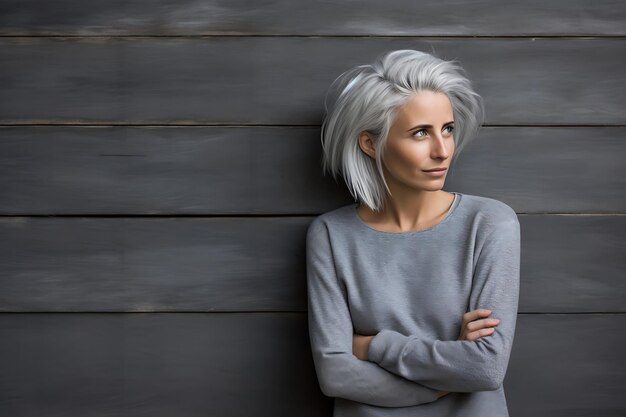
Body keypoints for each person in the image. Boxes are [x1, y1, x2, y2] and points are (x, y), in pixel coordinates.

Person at [306, 49, 521, 417]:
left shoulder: (490, 223)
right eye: (420, 132)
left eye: (448, 130)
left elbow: (485, 367)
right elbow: (335, 374)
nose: (442, 151)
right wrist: (442, 380)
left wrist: (374, 347)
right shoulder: (331, 235)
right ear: (370, 143)